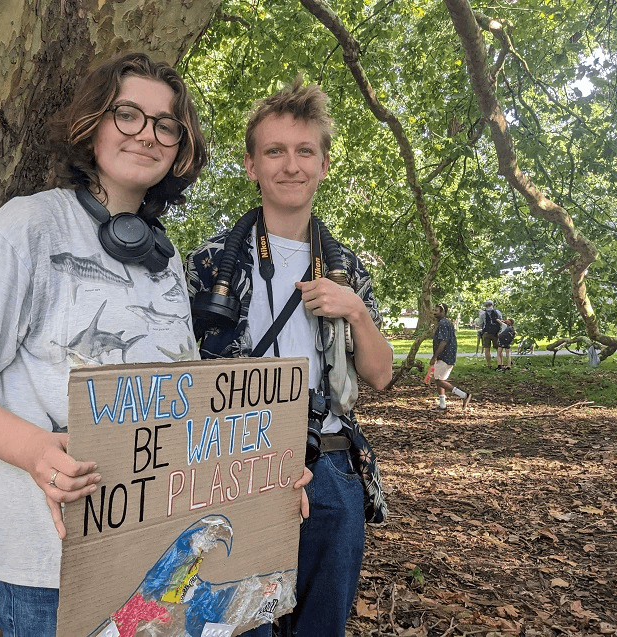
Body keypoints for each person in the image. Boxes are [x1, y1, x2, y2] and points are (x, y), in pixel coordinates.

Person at [0, 52, 210, 635]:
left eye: (166, 123)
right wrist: (37, 453)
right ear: (91, 124)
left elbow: (180, 406)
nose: (147, 133)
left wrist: (256, 480)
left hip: (156, 563)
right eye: (128, 114)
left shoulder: (165, 262)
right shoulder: (28, 227)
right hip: (52, 572)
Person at [185, 78, 394, 637]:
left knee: (321, 626)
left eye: (305, 151)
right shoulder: (209, 263)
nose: (290, 165)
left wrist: (356, 312)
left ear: (324, 165)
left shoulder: (346, 266)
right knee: (235, 628)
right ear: (252, 166)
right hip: (239, 469)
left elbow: (380, 375)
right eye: (274, 151)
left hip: (329, 467)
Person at [429, 302, 472, 410]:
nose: (434, 313)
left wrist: (435, 356)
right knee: (439, 378)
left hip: (445, 355)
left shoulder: (443, 324)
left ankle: (464, 395)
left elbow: (443, 342)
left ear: (443, 312)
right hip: (449, 355)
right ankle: (442, 404)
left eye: (436, 311)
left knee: (439, 381)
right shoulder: (447, 323)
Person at [477, 299, 502, 368]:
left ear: (485, 306)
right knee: (498, 349)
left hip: (486, 333)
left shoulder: (483, 313)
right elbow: (501, 321)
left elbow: (481, 324)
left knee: (487, 349)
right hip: (496, 333)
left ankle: (489, 364)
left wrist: (481, 331)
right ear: (492, 305)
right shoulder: (498, 312)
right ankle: (500, 364)